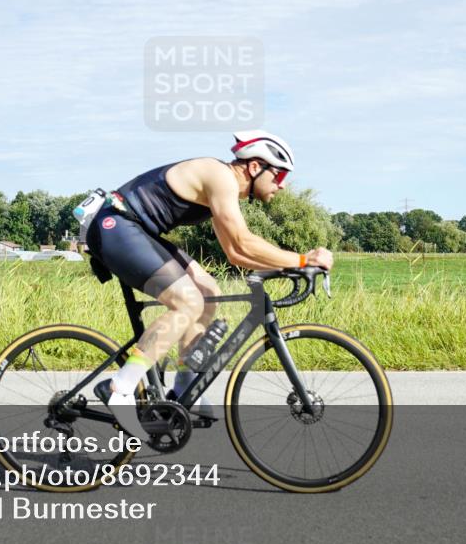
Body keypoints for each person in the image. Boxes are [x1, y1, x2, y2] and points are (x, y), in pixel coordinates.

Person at [85, 130, 333, 437]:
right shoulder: (220, 177)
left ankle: (185, 387)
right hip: (117, 227)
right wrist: (300, 260)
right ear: (255, 167)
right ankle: (119, 388)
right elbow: (243, 242)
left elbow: (235, 253)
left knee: (208, 291)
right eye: (279, 175)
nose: (281, 186)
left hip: (137, 231)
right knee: (187, 301)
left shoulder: (222, 188)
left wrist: (290, 264)